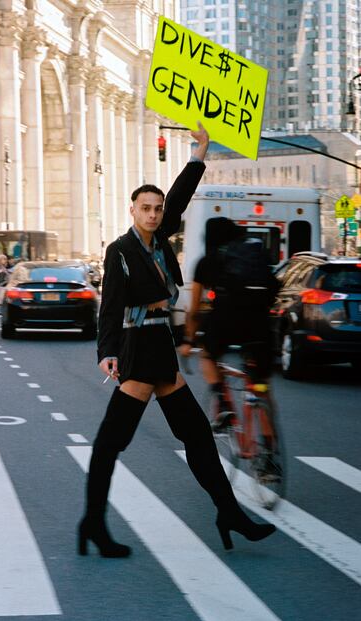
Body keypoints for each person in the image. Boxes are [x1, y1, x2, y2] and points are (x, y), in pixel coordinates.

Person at [77, 123, 276, 558]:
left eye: (157, 208)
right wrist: (106, 351)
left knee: (198, 438)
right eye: (145, 208)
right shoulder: (120, 251)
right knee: (113, 441)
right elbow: (109, 305)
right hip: (137, 349)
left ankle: (229, 513)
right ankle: (93, 522)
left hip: (160, 348)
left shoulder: (162, 243)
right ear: (132, 210)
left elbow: (182, 195)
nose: (152, 214)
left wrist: (199, 152)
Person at [180, 217, 279, 435]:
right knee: (262, 385)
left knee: (207, 355)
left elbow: (194, 310)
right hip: (260, 324)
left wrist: (188, 341)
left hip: (226, 321)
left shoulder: (207, 261)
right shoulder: (256, 255)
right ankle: (269, 457)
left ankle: (223, 405)